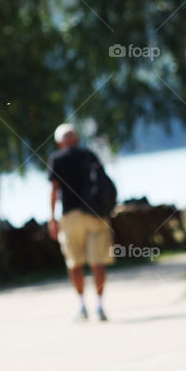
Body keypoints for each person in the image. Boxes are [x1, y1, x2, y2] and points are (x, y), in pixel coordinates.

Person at [48, 123, 114, 321]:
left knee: (74, 262)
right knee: (98, 261)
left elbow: (53, 190)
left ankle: (82, 306)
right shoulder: (89, 154)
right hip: (96, 214)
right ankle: (100, 306)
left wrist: (52, 218)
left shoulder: (57, 159)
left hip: (71, 216)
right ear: (76, 138)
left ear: (60, 142)